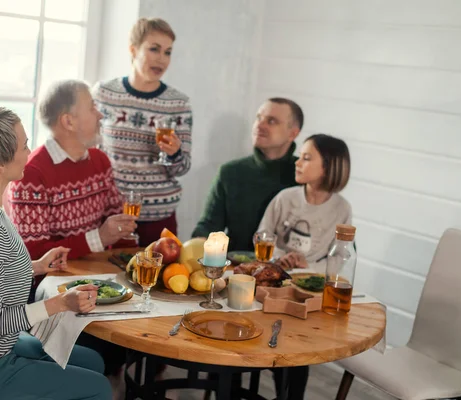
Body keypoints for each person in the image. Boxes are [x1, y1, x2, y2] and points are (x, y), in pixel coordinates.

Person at [0, 104, 112, 400]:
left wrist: (37, 266)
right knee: (99, 389)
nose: (30, 152)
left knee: (93, 361)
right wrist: (60, 304)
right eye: (24, 145)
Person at [258, 133, 352, 400]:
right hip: (274, 287)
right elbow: (263, 237)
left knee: (297, 355)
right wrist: (281, 258)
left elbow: (338, 259)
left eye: (307, 158)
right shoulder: (285, 198)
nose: (297, 162)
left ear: (329, 167)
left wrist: (306, 264)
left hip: (309, 295)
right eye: (300, 155)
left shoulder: (342, 209)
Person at [6, 80, 137, 264]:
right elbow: (35, 255)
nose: (100, 115)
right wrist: (99, 238)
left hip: (99, 275)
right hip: (55, 284)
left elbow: (118, 229)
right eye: (92, 108)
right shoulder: (30, 174)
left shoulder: (100, 160)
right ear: (68, 121)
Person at [92, 17, 192, 246]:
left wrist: (175, 153)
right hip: (111, 217)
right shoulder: (104, 93)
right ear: (133, 49)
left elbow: (182, 167)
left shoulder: (179, 103)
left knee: (156, 281)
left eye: (168, 52)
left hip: (159, 218)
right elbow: (90, 152)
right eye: (154, 49)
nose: (162, 59)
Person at [192, 98, 304, 251]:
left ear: (293, 133)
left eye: (271, 121)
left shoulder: (304, 177)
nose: (260, 125)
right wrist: (194, 248)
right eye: (258, 118)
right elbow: (209, 227)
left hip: (289, 271)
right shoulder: (230, 172)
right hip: (234, 268)